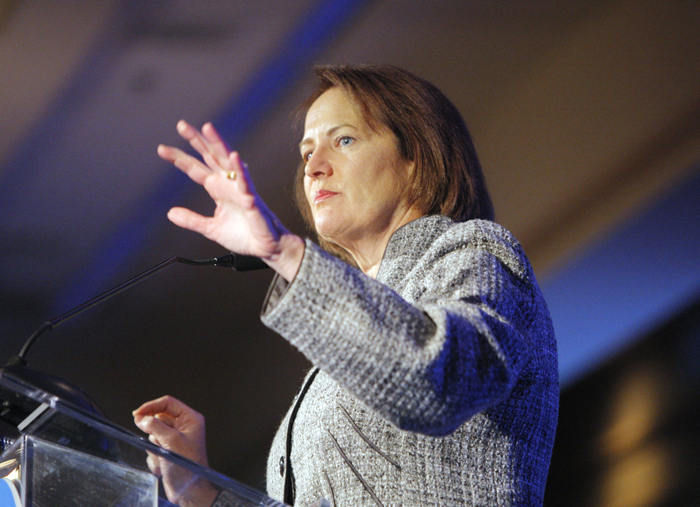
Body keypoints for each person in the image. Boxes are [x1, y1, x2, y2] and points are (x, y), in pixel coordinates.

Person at [133, 65, 558, 507]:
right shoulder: (350, 329)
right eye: (306, 153)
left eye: (344, 140)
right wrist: (196, 489)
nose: (313, 168)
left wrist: (287, 252)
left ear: (418, 159)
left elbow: (437, 385)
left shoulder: (476, 253)